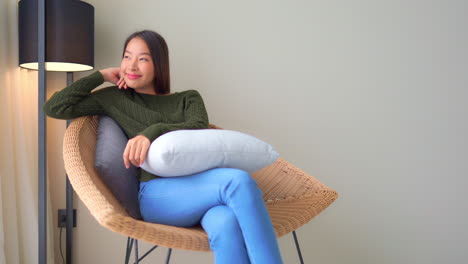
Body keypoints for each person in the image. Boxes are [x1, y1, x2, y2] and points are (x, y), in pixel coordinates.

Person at [43, 30, 283, 264]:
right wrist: (101, 75)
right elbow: (55, 107)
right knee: (238, 181)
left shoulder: (188, 98)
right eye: (127, 56)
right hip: (157, 195)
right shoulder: (114, 98)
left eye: (143, 59)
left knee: (227, 222)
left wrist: (151, 133)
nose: (132, 66)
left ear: (159, 64)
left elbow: (197, 126)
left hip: (204, 189)